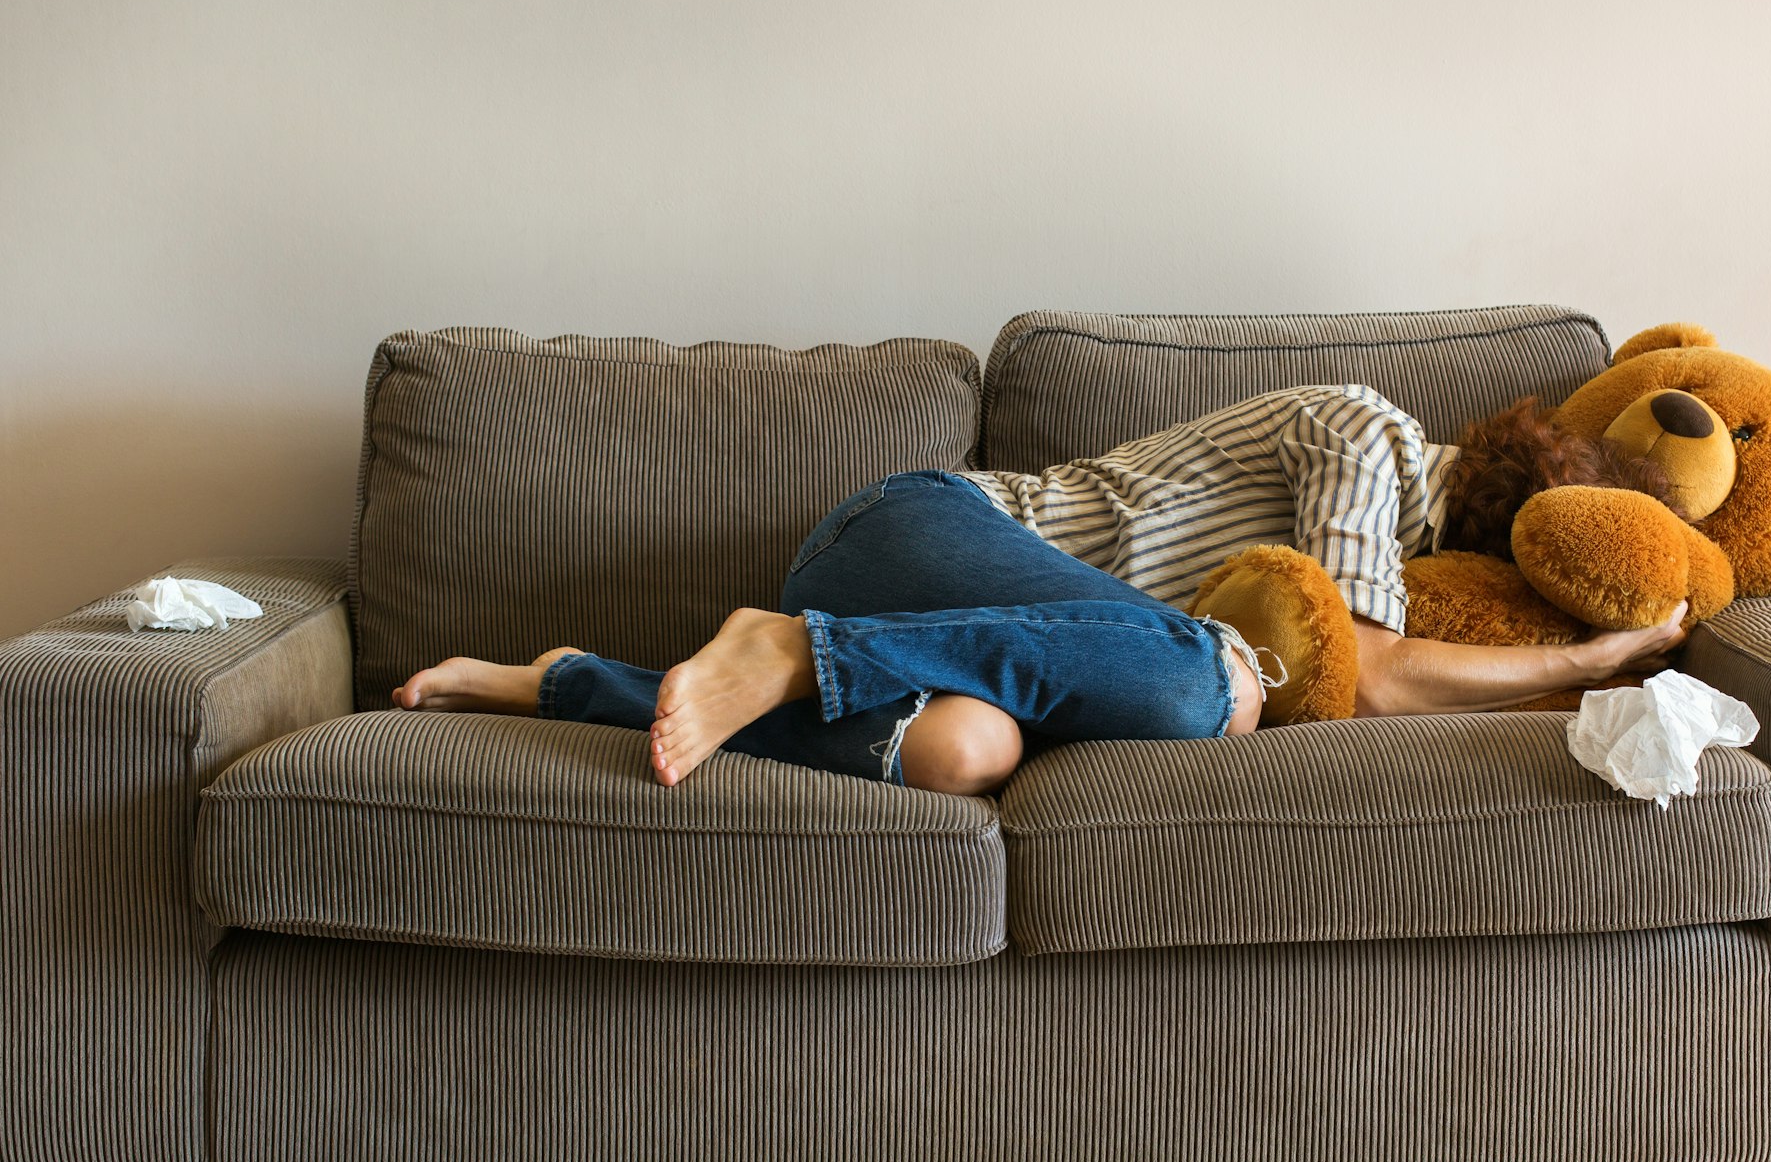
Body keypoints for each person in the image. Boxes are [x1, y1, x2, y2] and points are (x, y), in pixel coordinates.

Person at [393, 385, 1688, 796]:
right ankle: (786, 644)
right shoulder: (1367, 436)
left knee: (968, 749)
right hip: (912, 535)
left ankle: (566, 682)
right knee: (1217, 675)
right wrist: (1578, 666)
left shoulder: (1409, 559)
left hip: (982, 662)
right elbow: (1374, 674)